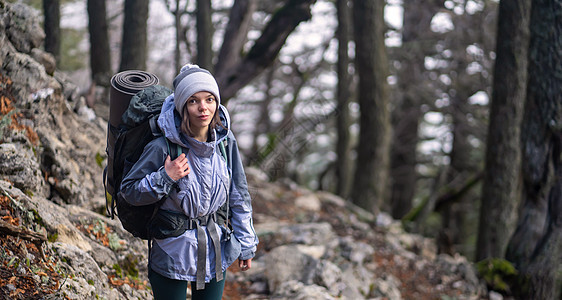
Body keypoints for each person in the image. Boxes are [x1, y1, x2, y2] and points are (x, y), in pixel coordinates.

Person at [119, 64, 259, 299]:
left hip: (215, 248)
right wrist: (165, 177)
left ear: (217, 103)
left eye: (209, 99)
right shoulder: (163, 146)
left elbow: (239, 194)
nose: (203, 108)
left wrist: (246, 243)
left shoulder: (225, 143)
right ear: (183, 106)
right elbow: (129, 191)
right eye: (193, 101)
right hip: (171, 250)